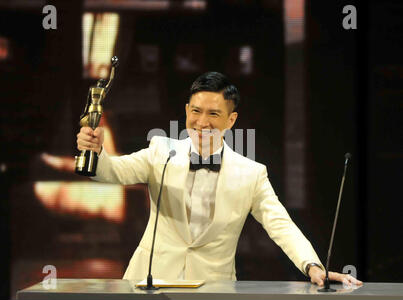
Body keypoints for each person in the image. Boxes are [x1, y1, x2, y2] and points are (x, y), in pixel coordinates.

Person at [77, 71, 362, 287]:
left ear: (231, 120)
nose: (202, 122)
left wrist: (312, 265)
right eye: (196, 112)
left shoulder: (251, 173)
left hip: (214, 292)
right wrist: (95, 152)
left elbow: (281, 225)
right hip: (149, 283)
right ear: (187, 111)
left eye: (214, 114)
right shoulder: (160, 151)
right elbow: (112, 172)